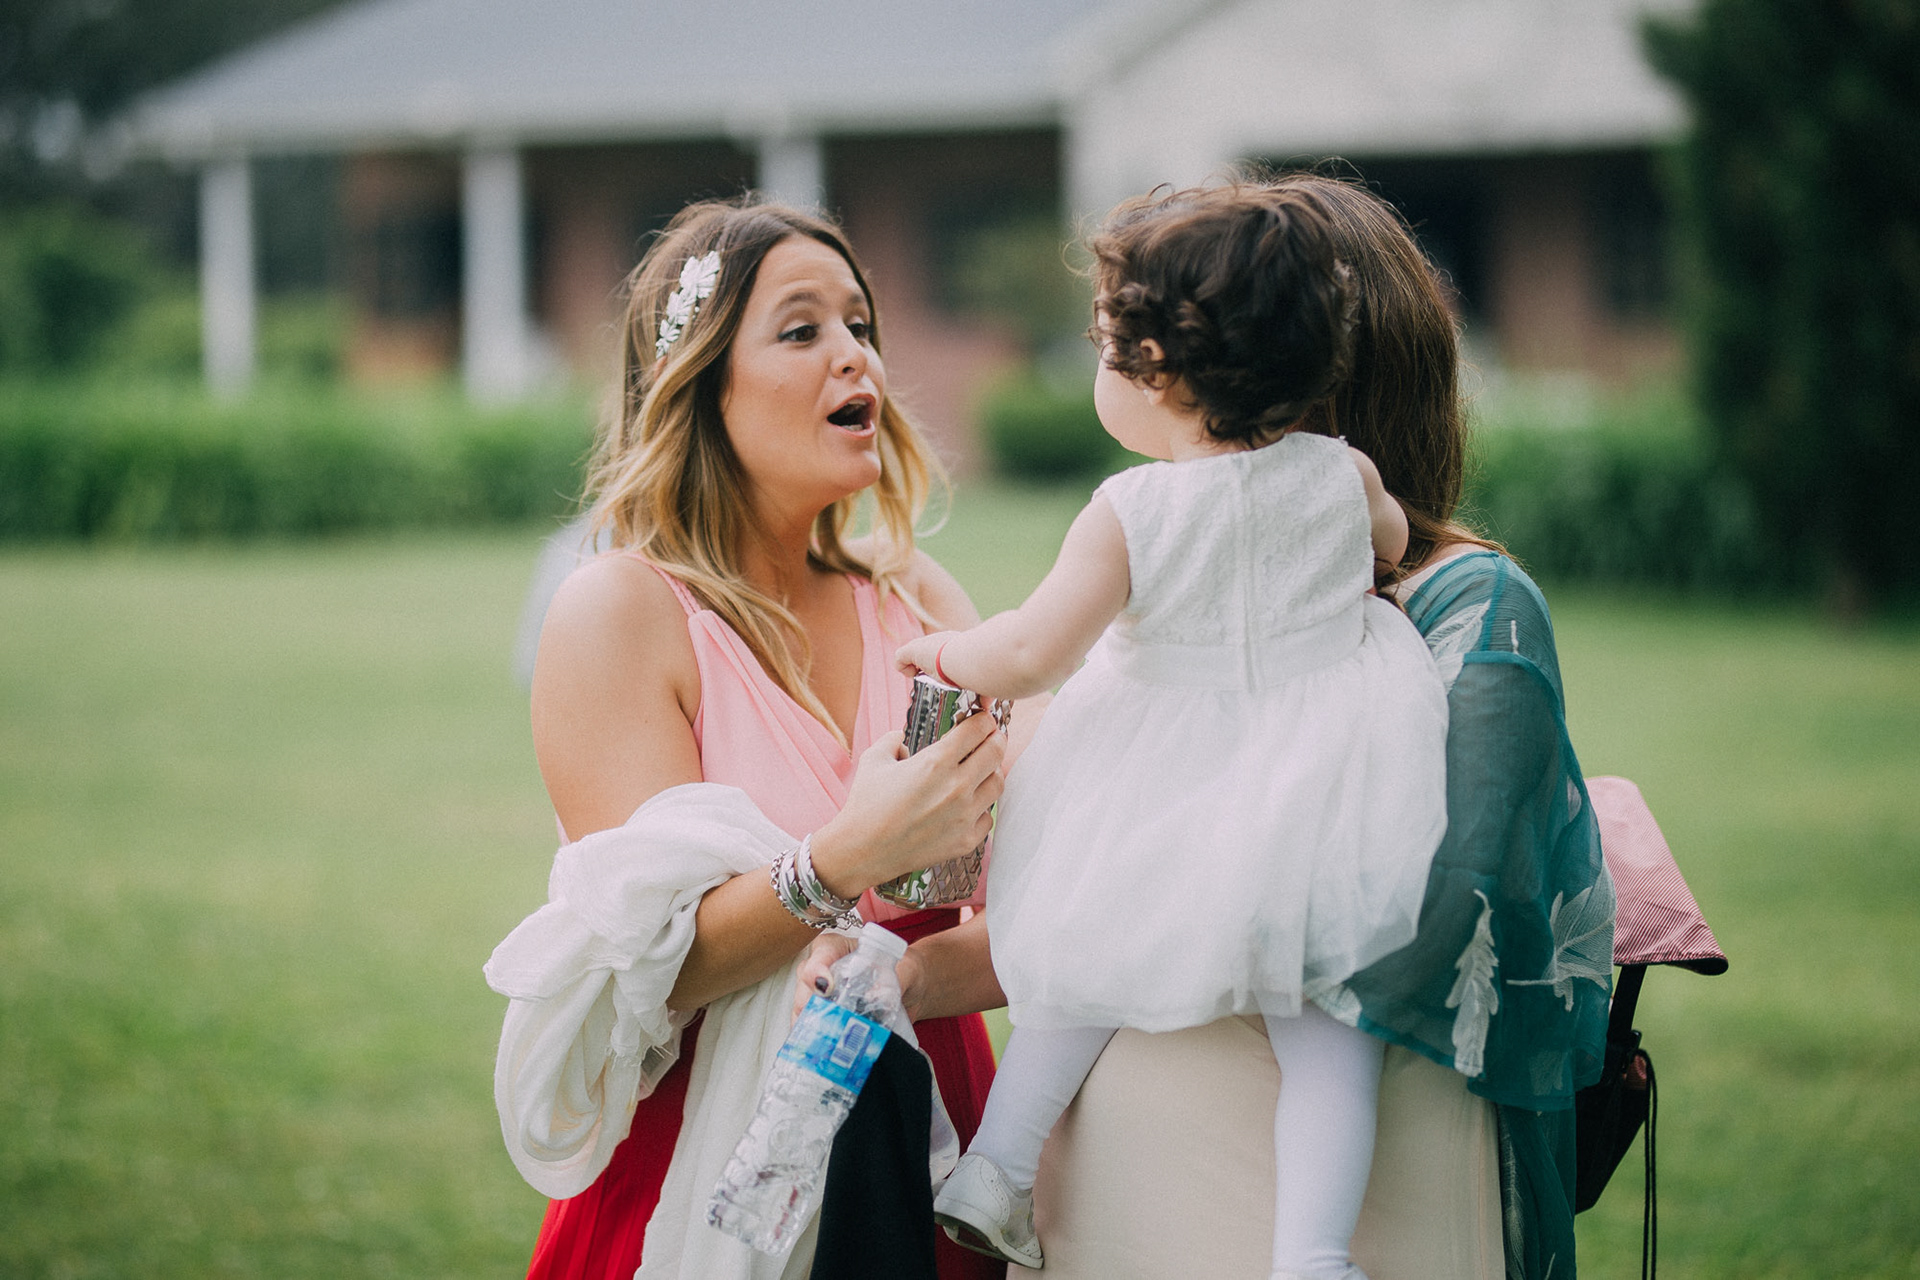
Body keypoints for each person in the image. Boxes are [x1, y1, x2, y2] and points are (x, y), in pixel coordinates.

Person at [1018, 172, 1612, 1280]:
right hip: (1139, 1159)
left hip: (1349, 1171)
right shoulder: (1176, 581)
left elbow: (1442, 901)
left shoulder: (1471, 604)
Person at [892, 184, 1452, 1280]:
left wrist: (946, 655)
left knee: (1080, 962)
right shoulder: (1344, 474)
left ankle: (997, 1166)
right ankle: (1313, 1255)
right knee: (1330, 1036)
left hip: (1159, 788)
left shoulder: (1130, 512)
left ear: (1155, 369)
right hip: (1314, 789)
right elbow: (1391, 544)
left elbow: (1033, 652)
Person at [484, 198, 1021, 1280]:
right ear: (699, 383)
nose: (854, 355)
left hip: (930, 1132)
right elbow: (647, 969)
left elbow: (1039, 910)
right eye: (802, 329)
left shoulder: (917, 599)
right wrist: (847, 857)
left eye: (860, 325)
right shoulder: (620, 613)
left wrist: (911, 978)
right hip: (710, 1167)